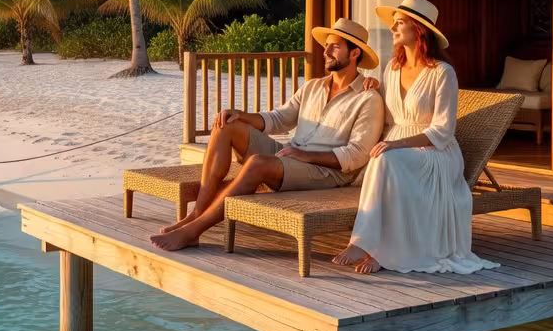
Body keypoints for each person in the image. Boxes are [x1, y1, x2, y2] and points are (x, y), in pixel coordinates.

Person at [150, 18, 386, 251]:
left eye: (334, 46)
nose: (326, 51)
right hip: (292, 156)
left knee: (257, 164)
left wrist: (305, 155)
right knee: (227, 125)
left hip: (328, 171)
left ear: (354, 53)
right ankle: (196, 214)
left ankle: (195, 230)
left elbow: (356, 155)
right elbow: (279, 119)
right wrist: (241, 115)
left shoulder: (368, 99)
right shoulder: (312, 87)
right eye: (326, 45)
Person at [332, 0, 499, 275]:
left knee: (387, 160)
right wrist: (373, 88)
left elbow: (443, 131)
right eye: (394, 23)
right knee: (386, 160)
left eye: (399, 24)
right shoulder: (391, 68)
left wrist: (397, 144)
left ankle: (367, 246)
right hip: (396, 148)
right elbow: (387, 114)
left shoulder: (442, 73)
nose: (392, 29)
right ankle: (378, 249)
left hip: (435, 152)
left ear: (418, 30)